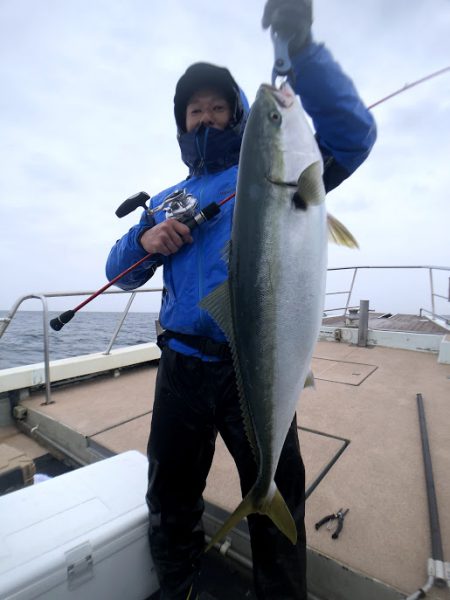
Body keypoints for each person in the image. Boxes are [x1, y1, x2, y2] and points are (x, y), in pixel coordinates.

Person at [106, 1, 377, 598]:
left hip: (248, 361)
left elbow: (355, 137)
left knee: (277, 497)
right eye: (194, 110)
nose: (205, 118)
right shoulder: (171, 198)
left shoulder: (273, 172)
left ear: (235, 116)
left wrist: (302, 51)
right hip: (179, 368)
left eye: (217, 107)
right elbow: (118, 273)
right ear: (182, 123)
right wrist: (145, 238)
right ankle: (177, 587)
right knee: (171, 497)